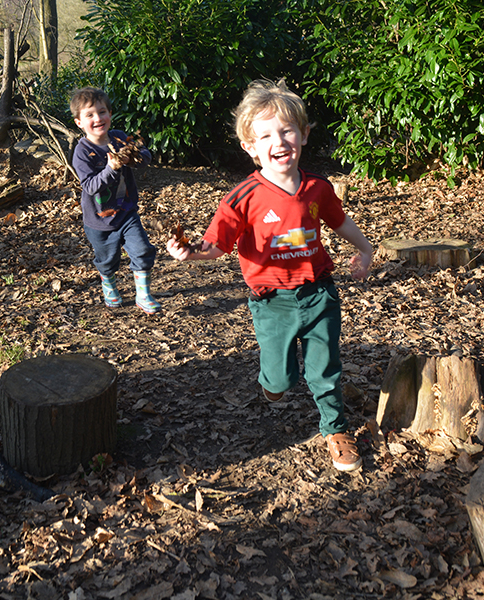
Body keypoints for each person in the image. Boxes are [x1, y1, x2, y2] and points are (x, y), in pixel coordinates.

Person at [166, 79, 373, 471]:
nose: (278, 141)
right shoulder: (242, 197)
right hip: (271, 303)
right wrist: (188, 254)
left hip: (319, 293)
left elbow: (339, 222)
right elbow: (215, 247)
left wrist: (365, 250)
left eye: (287, 130)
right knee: (280, 381)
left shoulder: (317, 189)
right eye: (265, 135)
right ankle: (273, 381)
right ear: (250, 147)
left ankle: (336, 428)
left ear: (304, 135)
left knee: (325, 369)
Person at [70, 87, 161, 314]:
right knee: (107, 260)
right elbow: (90, 186)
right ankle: (109, 286)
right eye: (89, 115)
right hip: (99, 220)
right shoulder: (82, 152)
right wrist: (111, 167)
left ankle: (143, 295)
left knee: (142, 250)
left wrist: (135, 157)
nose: (97, 118)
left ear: (110, 114)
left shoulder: (120, 138)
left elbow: (145, 156)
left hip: (127, 212)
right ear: (79, 122)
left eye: (102, 112)